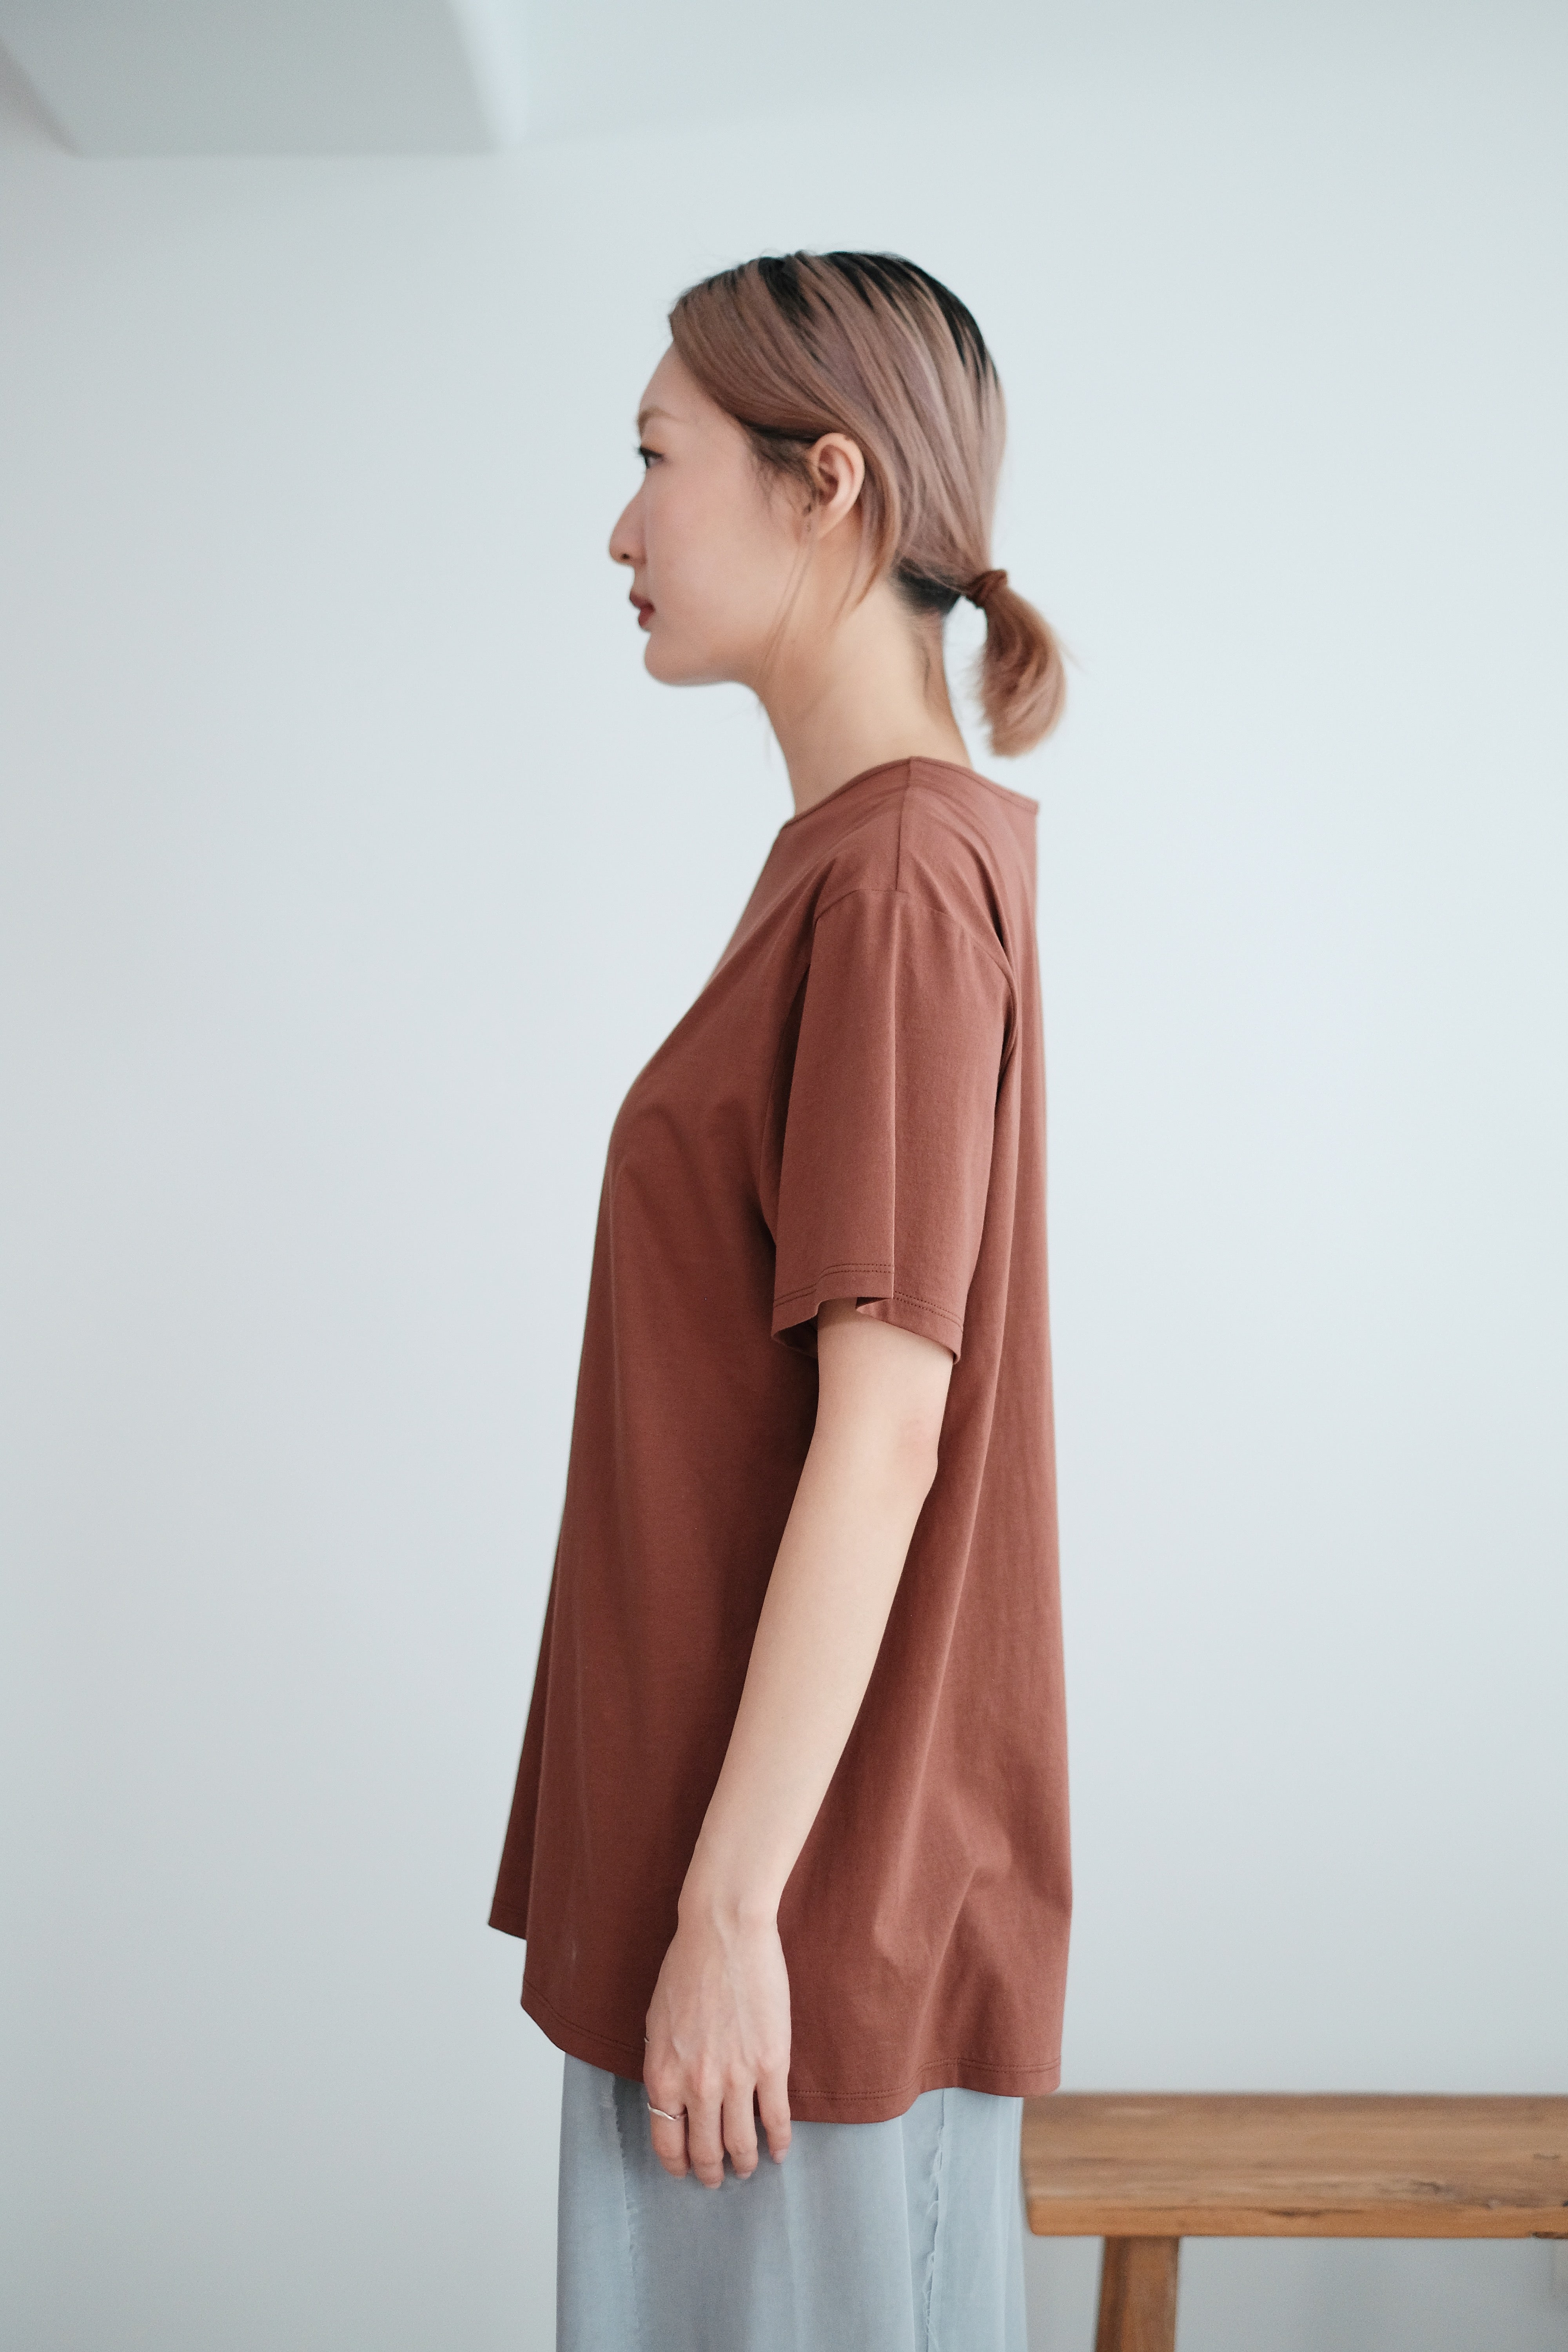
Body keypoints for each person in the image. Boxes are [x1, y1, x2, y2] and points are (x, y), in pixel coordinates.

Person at [489, 250, 1071, 2352]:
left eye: (658, 457)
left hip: (786, 1951)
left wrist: (732, 1914)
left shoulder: (896, 879)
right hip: (742, 1912)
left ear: (827, 484)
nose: (622, 526)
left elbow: (887, 1431)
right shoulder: (862, 862)